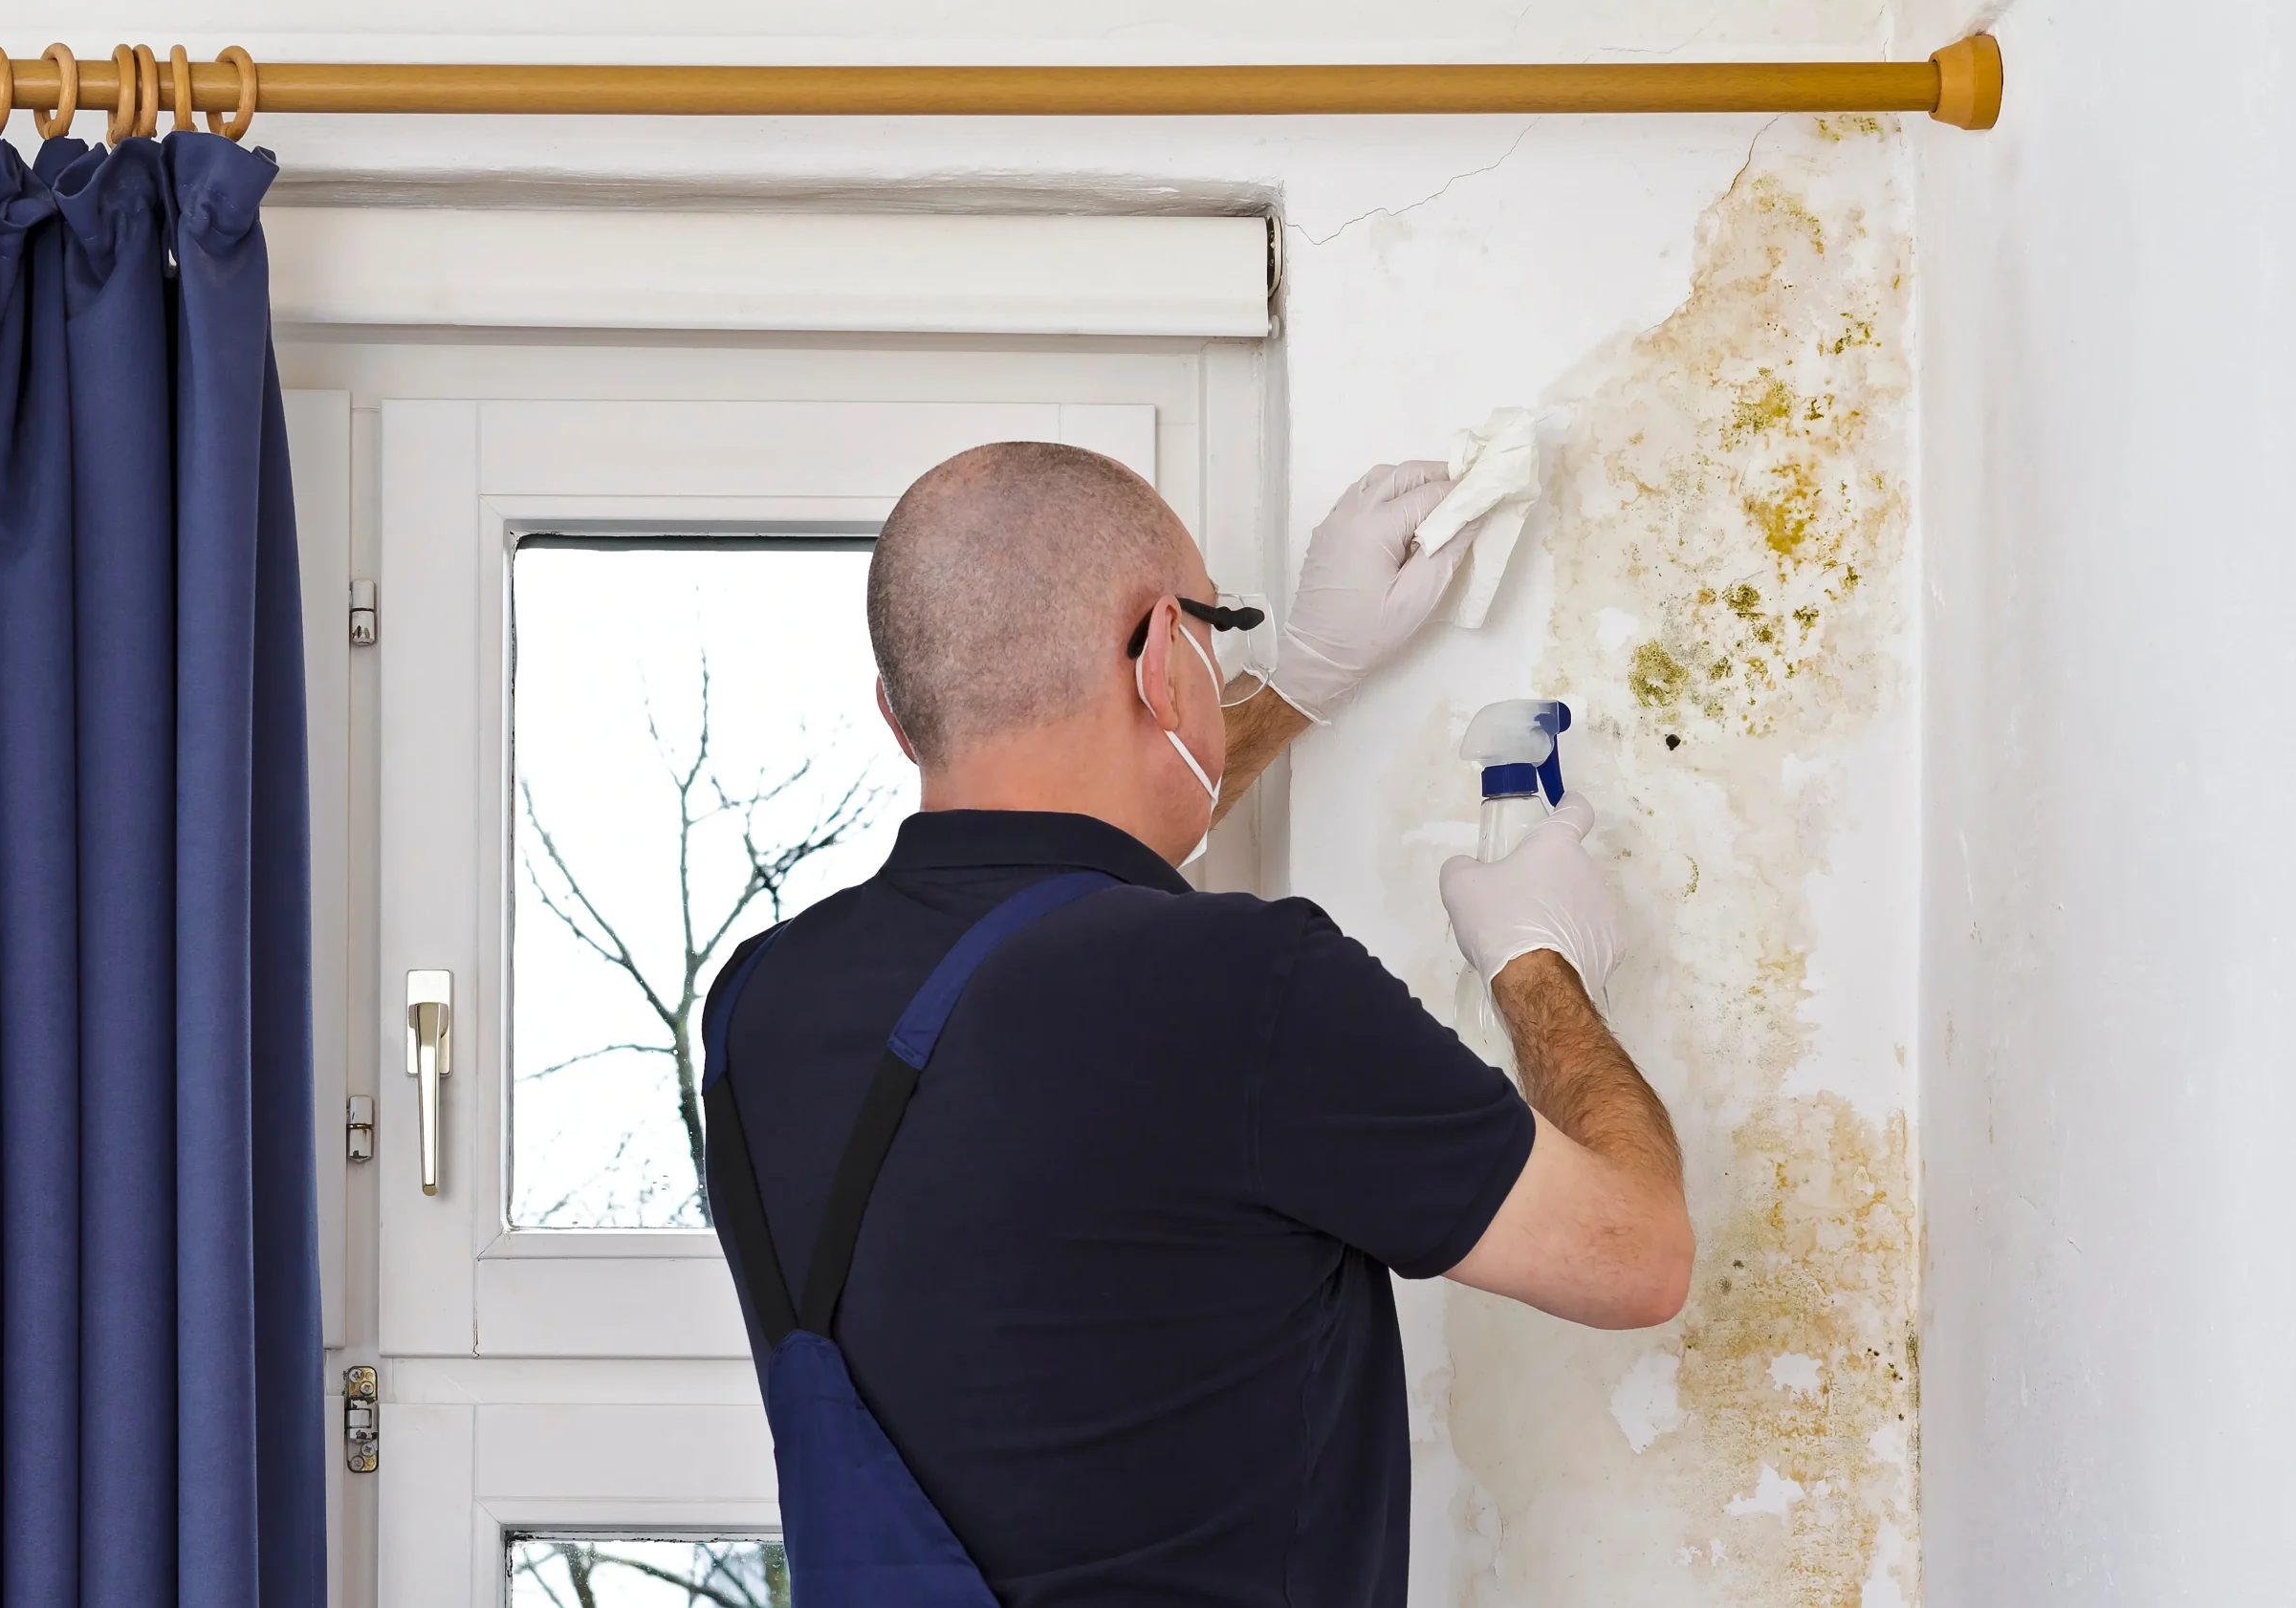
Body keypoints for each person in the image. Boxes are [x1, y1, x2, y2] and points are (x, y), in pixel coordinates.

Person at [701, 442, 1692, 1608]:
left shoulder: (761, 1005)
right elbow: (1634, 1255)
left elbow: (1042, 891)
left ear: (897, 713)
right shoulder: (1242, 986)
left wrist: (1300, 685)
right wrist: (1538, 965)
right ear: (1165, 652)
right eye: (1214, 636)